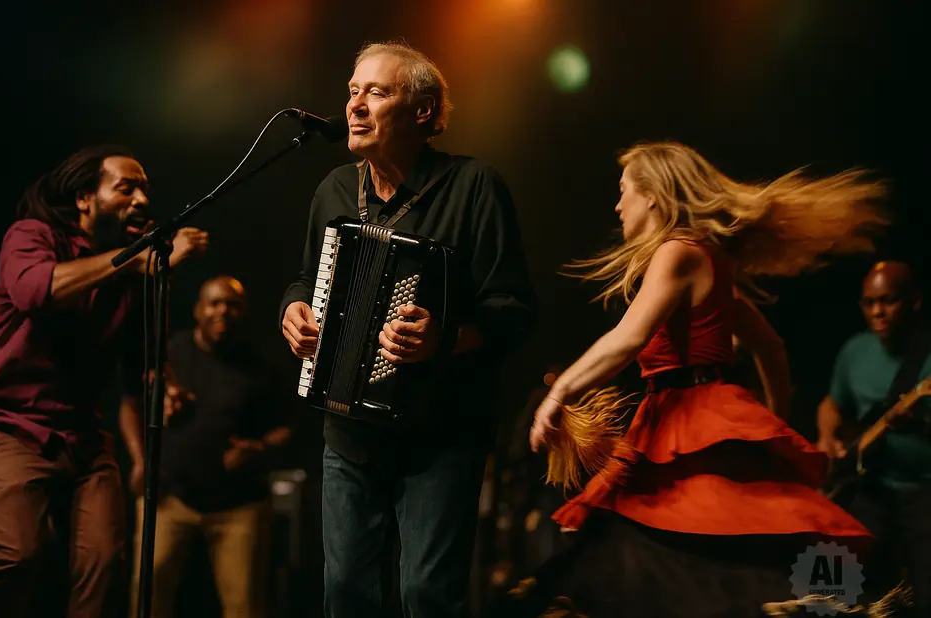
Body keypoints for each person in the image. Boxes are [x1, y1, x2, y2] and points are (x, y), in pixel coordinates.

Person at [492, 141, 894, 618]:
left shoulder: (677, 252)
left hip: (689, 419)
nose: (618, 204)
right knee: (696, 551)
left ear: (654, 196)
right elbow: (771, 346)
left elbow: (629, 337)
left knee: (658, 552)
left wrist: (558, 394)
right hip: (691, 417)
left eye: (624, 191)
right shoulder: (707, 258)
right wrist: (773, 422)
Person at [280, 41, 537, 618]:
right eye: (352, 91)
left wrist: (444, 339)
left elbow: (515, 311)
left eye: (377, 91)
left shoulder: (474, 186)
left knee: (426, 595)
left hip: (441, 435)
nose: (355, 104)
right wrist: (293, 311)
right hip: (348, 433)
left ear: (422, 112)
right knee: (345, 593)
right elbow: (304, 279)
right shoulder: (336, 191)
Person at [0, 144, 208, 618]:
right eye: (125, 187)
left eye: (145, 190)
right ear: (84, 199)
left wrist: (167, 385)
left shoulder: (136, 273)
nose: (141, 199)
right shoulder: (31, 236)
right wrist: (133, 261)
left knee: (103, 563)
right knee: (19, 555)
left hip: (83, 437)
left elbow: (143, 365)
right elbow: (39, 291)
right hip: (9, 425)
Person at [125, 275, 290, 618]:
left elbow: (287, 429)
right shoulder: (170, 353)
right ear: (198, 310)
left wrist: (258, 447)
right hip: (170, 498)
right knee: (147, 597)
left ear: (244, 312)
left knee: (244, 607)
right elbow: (130, 404)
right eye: (214, 303)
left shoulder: (261, 364)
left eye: (232, 304)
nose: (223, 311)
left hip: (237, 506)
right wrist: (140, 460)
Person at [816, 260, 931, 614]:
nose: (878, 311)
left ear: (914, 301)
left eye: (889, 300)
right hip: (870, 487)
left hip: (925, 493)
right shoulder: (856, 350)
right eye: (869, 302)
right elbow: (832, 404)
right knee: (829, 581)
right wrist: (827, 436)